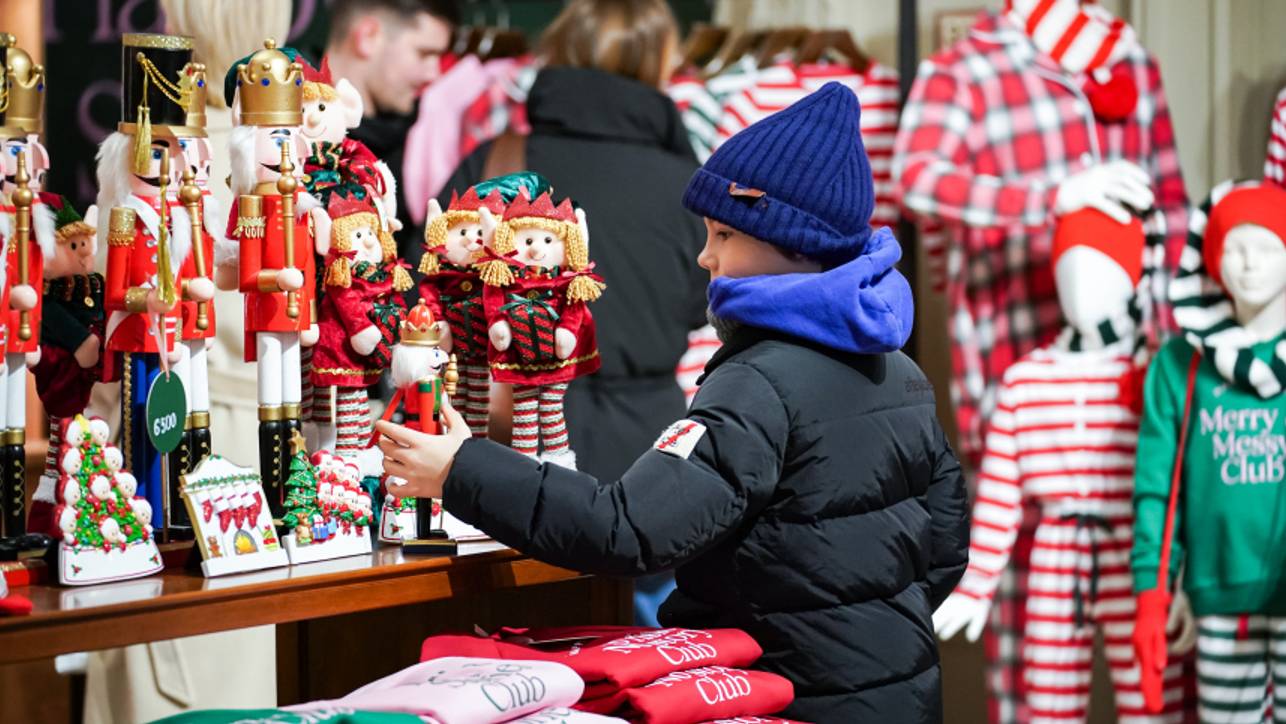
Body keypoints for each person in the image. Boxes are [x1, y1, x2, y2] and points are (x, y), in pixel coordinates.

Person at [376, 83, 970, 723]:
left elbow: (629, 527)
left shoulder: (760, 384)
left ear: (791, 246)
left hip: (779, 696)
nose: (704, 255)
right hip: (901, 693)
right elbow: (944, 545)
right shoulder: (901, 372)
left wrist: (461, 467)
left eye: (723, 234)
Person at [433, 0, 707, 483]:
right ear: (662, 62)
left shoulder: (497, 162)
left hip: (506, 438)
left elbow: (432, 284)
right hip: (645, 455)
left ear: (556, 48)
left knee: (505, 561)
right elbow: (698, 304)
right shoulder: (689, 187)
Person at [324, 0, 459, 222]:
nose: (433, 74)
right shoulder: (287, 136)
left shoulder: (417, 140)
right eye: (424, 54)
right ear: (368, 37)